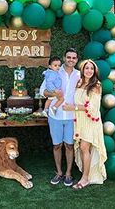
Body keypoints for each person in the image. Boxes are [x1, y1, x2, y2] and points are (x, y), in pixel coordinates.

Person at [63, 59, 107, 189]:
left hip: (90, 121)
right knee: (84, 149)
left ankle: (85, 178)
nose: (89, 71)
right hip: (80, 121)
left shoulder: (96, 85)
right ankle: (86, 173)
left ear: (95, 71)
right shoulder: (79, 82)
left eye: (91, 69)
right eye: (87, 68)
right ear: (82, 70)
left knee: (84, 147)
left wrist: (73, 108)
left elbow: (93, 107)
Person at [40, 48, 80, 186]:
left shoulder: (79, 75)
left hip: (71, 116)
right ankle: (59, 172)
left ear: (77, 60)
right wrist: (54, 95)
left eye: (74, 58)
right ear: (64, 58)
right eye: (68, 57)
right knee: (57, 145)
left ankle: (68, 173)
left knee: (69, 145)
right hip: (55, 115)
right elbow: (43, 91)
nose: (71, 60)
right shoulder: (55, 71)